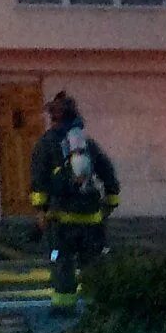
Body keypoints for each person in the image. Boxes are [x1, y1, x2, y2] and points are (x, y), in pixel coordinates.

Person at [31, 113, 121, 313]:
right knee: (92, 262)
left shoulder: (45, 144)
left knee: (60, 260)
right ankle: (96, 305)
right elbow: (108, 174)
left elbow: (39, 180)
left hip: (61, 221)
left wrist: (40, 211)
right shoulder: (89, 145)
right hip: (91, 220)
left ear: (54, 120)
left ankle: (64, 306)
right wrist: (110, 203)